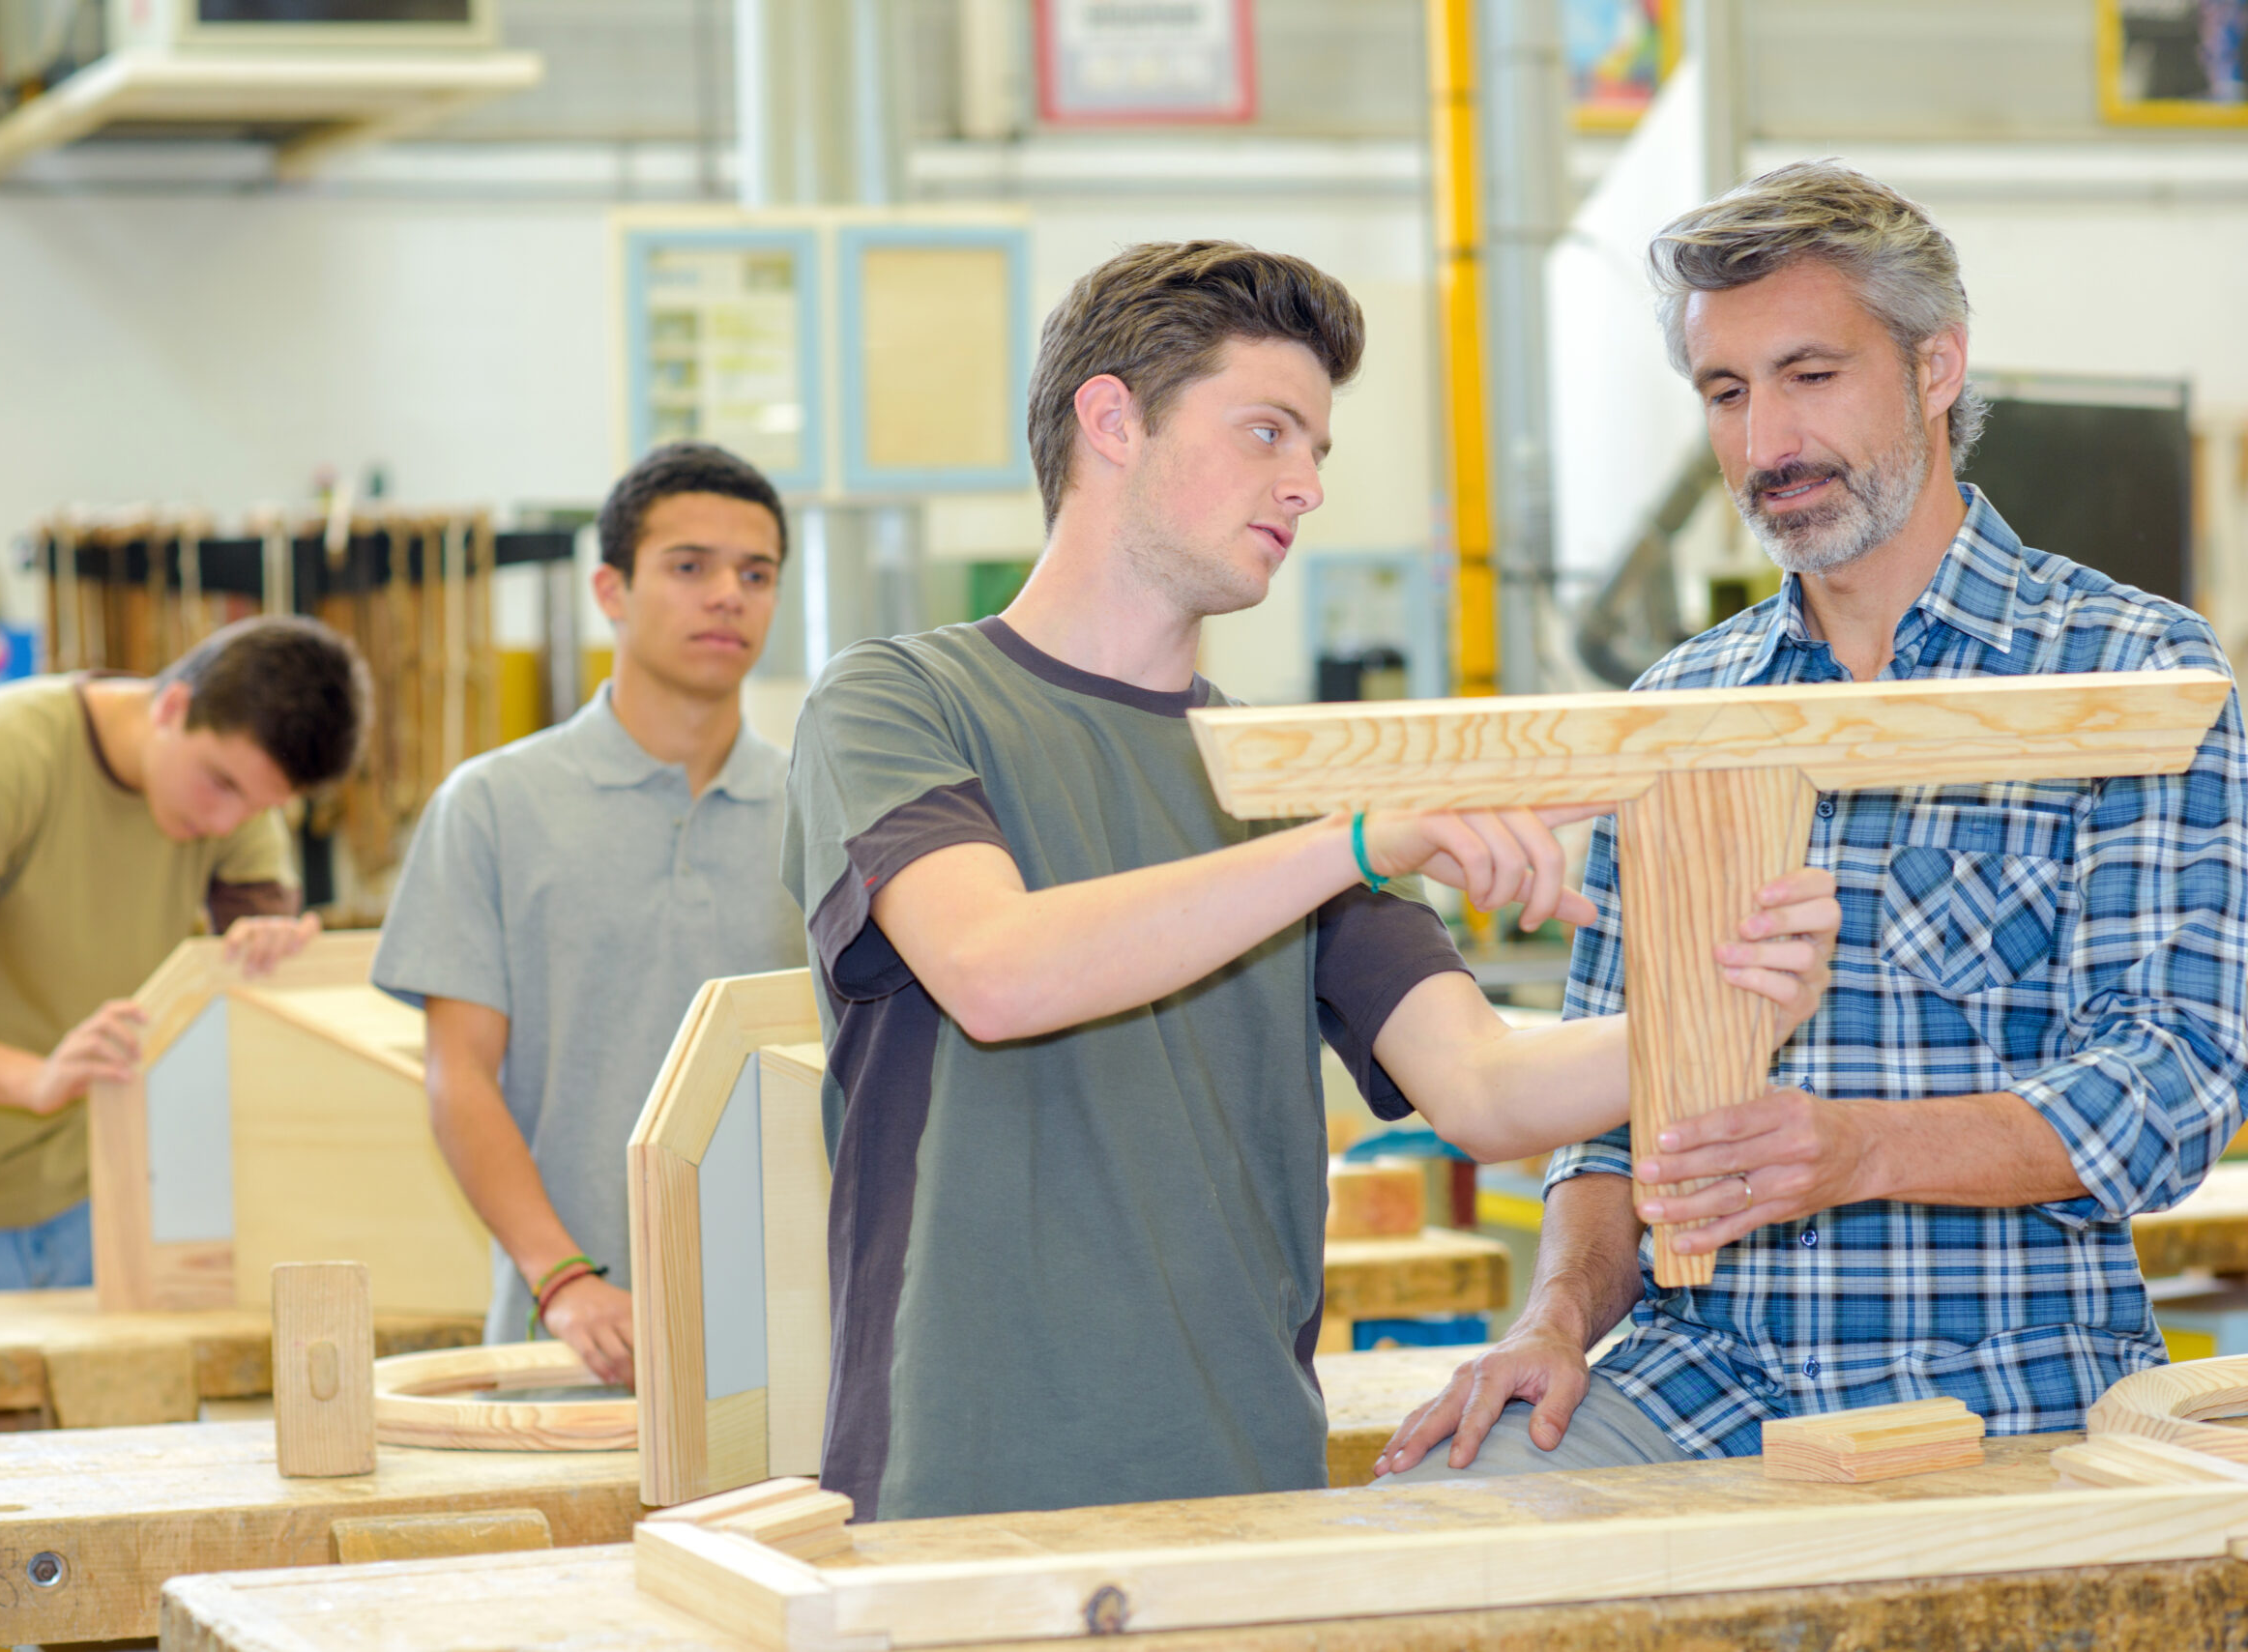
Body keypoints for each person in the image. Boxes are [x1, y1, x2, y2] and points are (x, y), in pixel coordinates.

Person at [780, 240, 1842, 1522]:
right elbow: (996, 970)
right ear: (1110, 419)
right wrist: (1355, 838)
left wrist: (1732, 1001)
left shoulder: (1294, 781)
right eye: (1269, 432)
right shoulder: (903, 700)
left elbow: (1491, 1090)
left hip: (1244, 1487)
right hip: (962, 1486)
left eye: (1320, 450)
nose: (1306, 486)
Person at [1375, 161, 2248, 1484]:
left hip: (2015, 1385)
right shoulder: (1681, 705)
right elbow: (1608, 1121)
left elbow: (2173, 1082)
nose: (1766, 441)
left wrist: (1858, 1149)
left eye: (1811, 375)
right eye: (1726, 393)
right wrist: (1551, 1322)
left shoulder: (2129, 676)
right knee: (1441, 1518)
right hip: (1698, 1378)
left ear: (1937, 368)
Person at [373, 442, 805, 1383]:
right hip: (570, 1334)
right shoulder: (492, 805)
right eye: (689, 566)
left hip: (793, 1334)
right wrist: (561, 1276)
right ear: (610, 589)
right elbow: (459, 1073)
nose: (728, 593)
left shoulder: (824, 809)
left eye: (756, 572)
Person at [0, 617, 365, 1311]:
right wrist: (39, 1078)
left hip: (95, 1196)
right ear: (172, 705)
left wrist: (276, 956)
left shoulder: (237, 793)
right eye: (221, 786)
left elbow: (265, 995)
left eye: (261, 806)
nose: (231, 822)